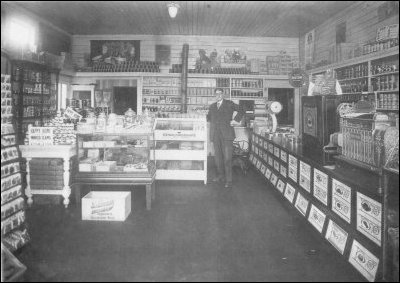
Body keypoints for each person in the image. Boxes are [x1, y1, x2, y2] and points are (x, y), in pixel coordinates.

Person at [207, 88, 244, 188]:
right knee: (218, 158)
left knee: (227, 158)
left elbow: (242, 109)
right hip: (215, 136)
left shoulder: (229, 104)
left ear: (223, 94)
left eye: (220, 93)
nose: (218, 95)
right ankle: (220, 175)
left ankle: (229, 180)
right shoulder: (212, 106)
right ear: (214, 95)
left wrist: (235, 120)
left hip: (227, 135)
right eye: (216, 93)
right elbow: (209, 118)